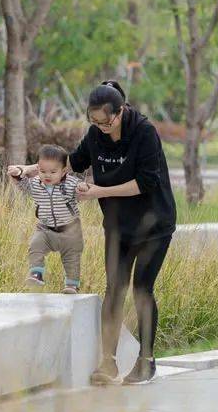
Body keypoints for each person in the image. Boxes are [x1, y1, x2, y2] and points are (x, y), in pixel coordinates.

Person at [15, 81, 177, 385]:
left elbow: (147, 182)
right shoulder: (95, 136)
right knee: (114, 289)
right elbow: (71, 164)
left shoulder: (143, 133)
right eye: (94, 121)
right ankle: (108, 363)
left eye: (106, 121)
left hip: (154, 225)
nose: (101, 127)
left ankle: (147, 361)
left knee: (142, 288)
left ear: (120, 111)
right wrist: (28, 170)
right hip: (118, 225)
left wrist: (100, 191)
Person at [7, 145, 84, 294]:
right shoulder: (36, 183)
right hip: (45, 229)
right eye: (42, 171)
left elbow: (81, 189)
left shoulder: (70, 184)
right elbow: (24, 186)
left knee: (71, 258)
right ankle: (36, 274)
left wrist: (83, 187)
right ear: (37, 169)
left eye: (53, 172)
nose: (47, 175)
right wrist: (17, 174)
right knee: (35, 245)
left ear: (63, 171)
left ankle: (72, 285)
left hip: (70, 230)